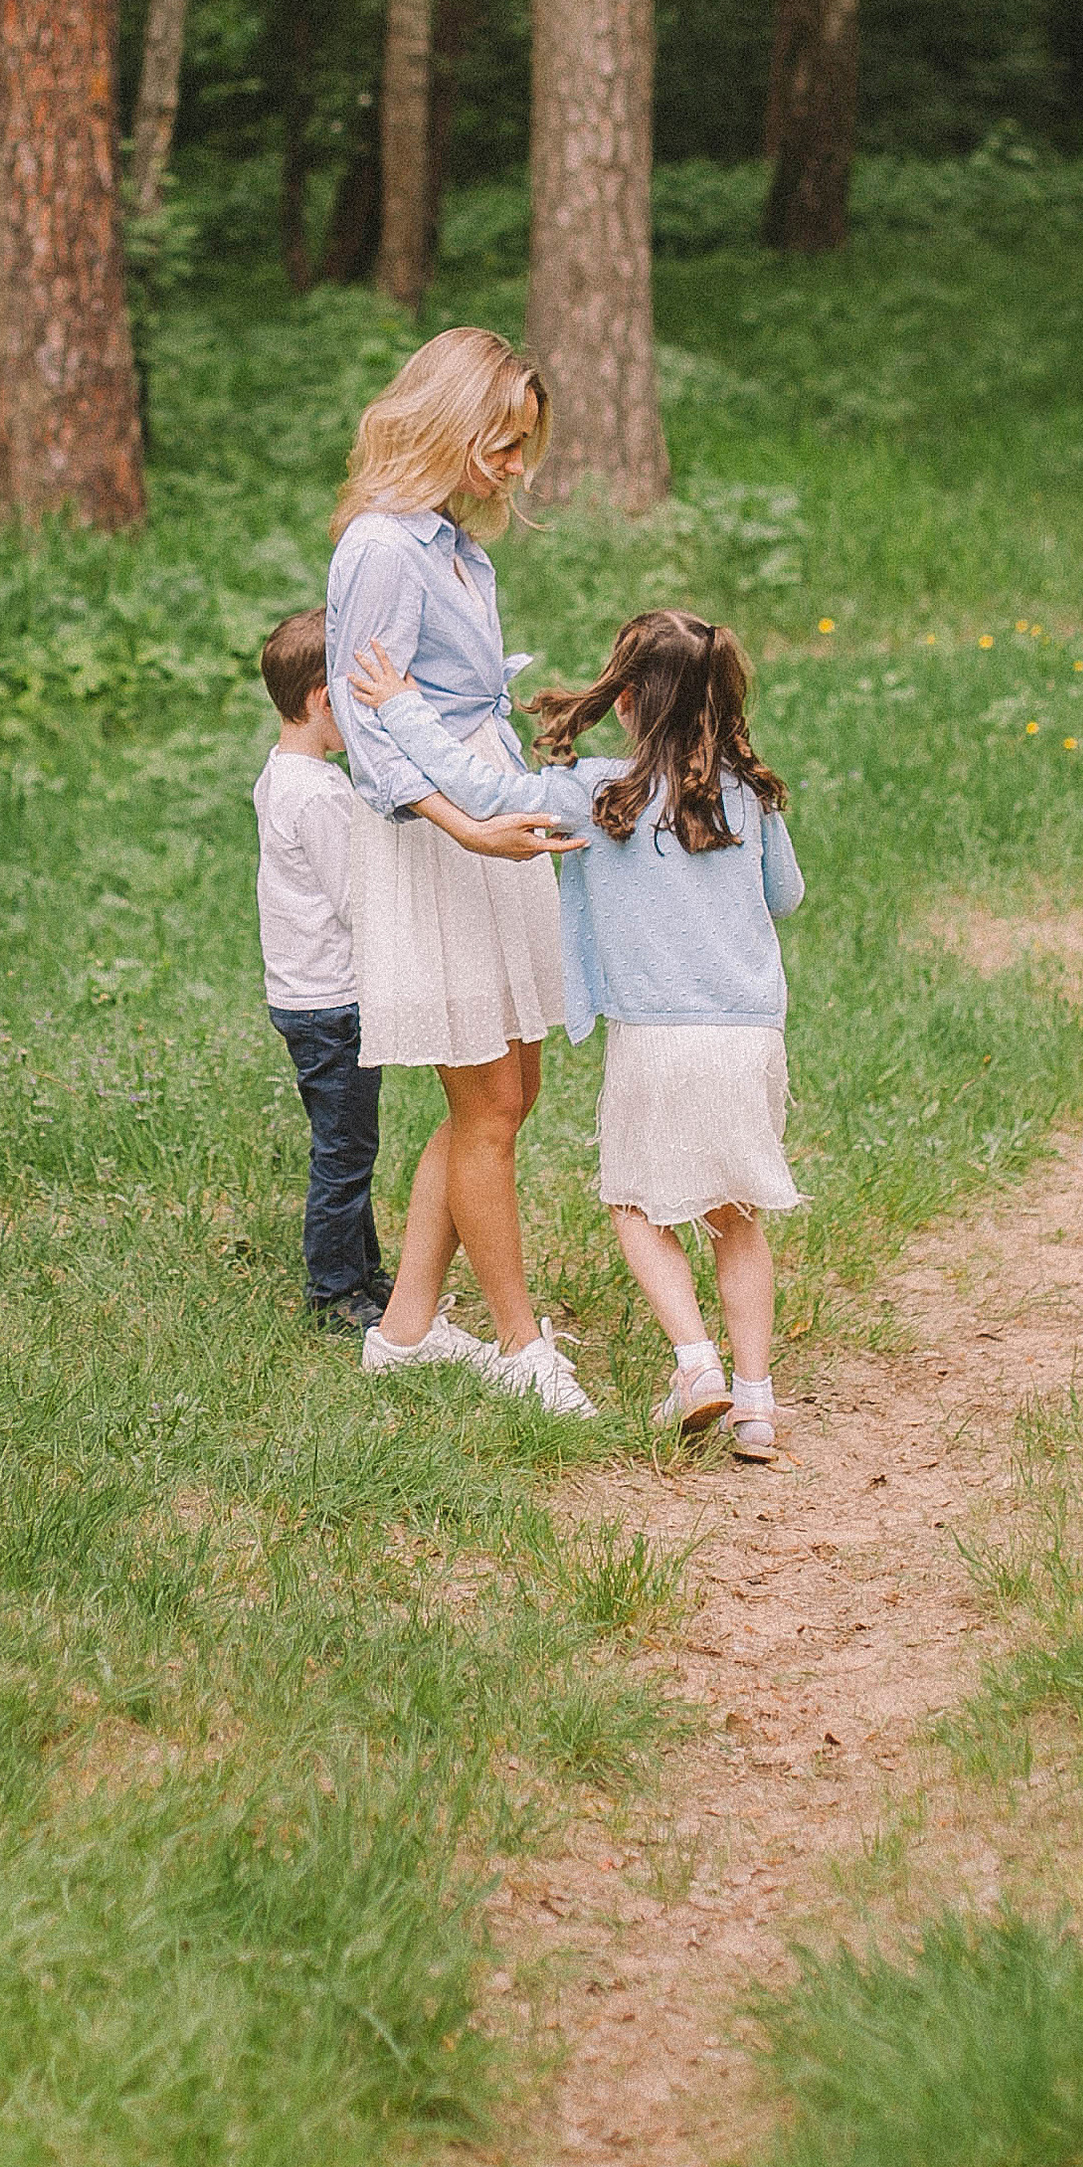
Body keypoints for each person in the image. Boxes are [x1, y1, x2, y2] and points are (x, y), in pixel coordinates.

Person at [348, 607, 804, 1463]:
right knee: (735, 1215)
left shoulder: (601, 793)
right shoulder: (752, 795)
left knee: (636, 1202)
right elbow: (785, 897)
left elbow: (484, 794)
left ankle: (695, 1364)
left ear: (624, 700)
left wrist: (403, 706)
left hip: (656, 1039)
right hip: (749, 1036)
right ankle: (755, 1407)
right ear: (721, 700)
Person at [325, 329, 595, 1418]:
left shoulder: (451, 547)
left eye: (523, 449)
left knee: (509, 1093)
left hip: (489, 812)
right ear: (449, 423)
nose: (515, 470)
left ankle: (403, 1331)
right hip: (438, 838)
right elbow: (365, 715)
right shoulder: (381, 547)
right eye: (504, 445)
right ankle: (523, 1350)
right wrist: (458, 826)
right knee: (482, 1099)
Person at [250, 609, 545, 1339]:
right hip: (330, 1001)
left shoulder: (283, 777)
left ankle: (367, 1272)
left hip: (311, 996)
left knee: (352, 1141)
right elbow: (357, 900)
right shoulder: (319, 795)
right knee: (345, 1151)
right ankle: (338, 1288)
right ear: (326, 701)